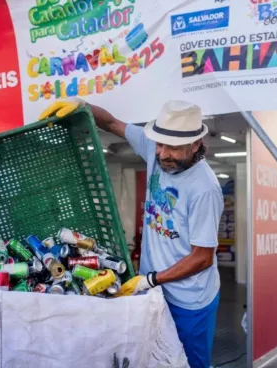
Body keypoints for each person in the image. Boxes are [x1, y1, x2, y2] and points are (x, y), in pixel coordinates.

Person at [40, 100, 223, 368]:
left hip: (189, 300)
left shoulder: (204, 188)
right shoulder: (156, 149)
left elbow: (203, 257)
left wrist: (149, 279)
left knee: (189, 363)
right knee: (154, 359)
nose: (162, 154)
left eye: (173, 147)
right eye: (160, 145)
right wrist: (81, 105)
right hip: (153, 291)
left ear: (196, 144)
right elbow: (111, 122)